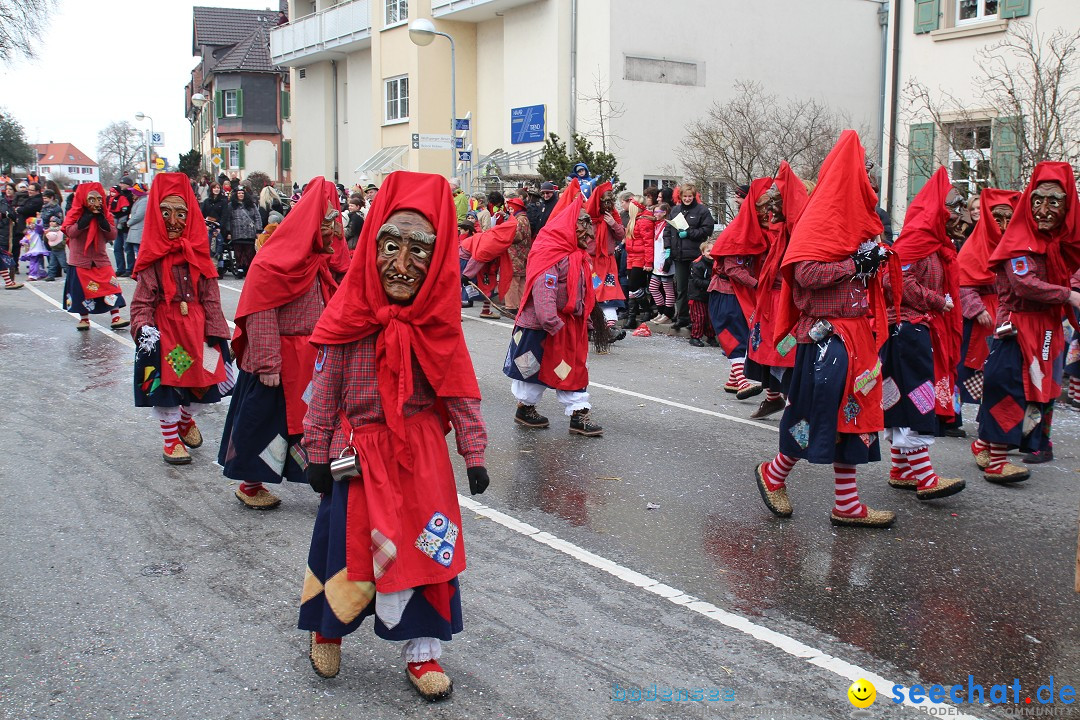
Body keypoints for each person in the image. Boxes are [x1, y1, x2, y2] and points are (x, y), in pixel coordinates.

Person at [298, 171, 489, 701]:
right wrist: (316, 453)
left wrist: (473, 453)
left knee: (430, 550)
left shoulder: (438, 322)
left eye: (420, 251)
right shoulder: (350, 314)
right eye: (390, 245)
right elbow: (324, 390)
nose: (402, 265)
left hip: (421, 458)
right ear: (371, 245)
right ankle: (328, 629)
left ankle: (423, 652)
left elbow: (460, 392)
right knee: (345, 550)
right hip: (359, 455)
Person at [753, 130, 896, 529]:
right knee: (813, 414)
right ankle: (773, 475)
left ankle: (847, 505)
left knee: (854, 418)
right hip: (824, 341)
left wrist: (877, 263)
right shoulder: (819, 221)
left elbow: (868, 279)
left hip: (856, 339)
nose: (869, 179)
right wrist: (857, 264)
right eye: (864, 171)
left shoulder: (861, 222)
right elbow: (806, 273)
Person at [220, 177, 345, 509]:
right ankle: (249, 483)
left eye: (335, 224)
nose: (334, 232)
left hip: (309, 360)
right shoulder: (273, 263)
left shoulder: (314, 261)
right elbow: (260, 313)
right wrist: (266, 364)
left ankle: (321, 482)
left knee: (314, 426)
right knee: (264, 425)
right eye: (328, 224)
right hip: (276, 363)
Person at [974, 162, 1080, 482]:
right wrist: (1068, 295)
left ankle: (986, 445)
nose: (1044, 210)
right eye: (1037, 200)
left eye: (1054, 201)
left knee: (1038, 392)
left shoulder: (1056, 245)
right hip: (1018, 329)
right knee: (1010, 389)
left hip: (1045, 331)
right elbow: (1024, 284)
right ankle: (997, 460)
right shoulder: (1019, 240)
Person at [129, 173, 234, 465]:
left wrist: (216, 330)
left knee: (203, 383)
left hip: (197, 329)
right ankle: (171, 438)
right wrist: (145, 330)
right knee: (169, 386)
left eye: (180, 214)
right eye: (166, 213)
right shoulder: (152, 258)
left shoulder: (199, 254)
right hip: (167, 330)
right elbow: (142, 301)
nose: (174, 221)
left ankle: (186, 420)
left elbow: (211, 296)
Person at [879, 166, 966, 501]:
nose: (959, 215)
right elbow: (894, 282)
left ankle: (901, 469)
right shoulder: (916, 240)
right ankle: (926, 478)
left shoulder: (934, 243)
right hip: (906, 329)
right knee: (917, 398)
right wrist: (937, 301)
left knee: (904, 396)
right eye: (954, 207)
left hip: (916, 328)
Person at [503, 198, 604, 436]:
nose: (589, 233)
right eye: (584, 224)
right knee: (531, 369)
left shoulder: (577, 256)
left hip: (569, 326)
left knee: (573, 369)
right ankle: (525, 408)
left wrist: (585, 319)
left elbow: (583, 292)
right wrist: (551, 321)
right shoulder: (551, 254)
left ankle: (579, 415)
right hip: (545, 325)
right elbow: (544, 289)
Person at [744, 162, 809, 419]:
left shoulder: (799, 233)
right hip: (771, 299)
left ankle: (795, 406)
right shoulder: (782, 230)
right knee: (764, 348)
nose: (770, 210)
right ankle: (773, 398)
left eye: (775, 204)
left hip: (788, 301)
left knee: (787, 352)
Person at [954, 189, 1020, 434]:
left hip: (1005, 315)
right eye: (997, 219)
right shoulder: (976, 243)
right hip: (979, 319)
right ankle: (952, 417)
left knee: (996, 371)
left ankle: (989, 420)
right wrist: (977, 309)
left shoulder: (1014, 243)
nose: (1002, 225)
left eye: (1008, 219)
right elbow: (963, 282)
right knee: (965, 371)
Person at [708, 179, 772, 396]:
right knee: (735, 335)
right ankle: (743, 380)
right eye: (764, 207)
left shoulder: (760, 230)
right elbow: (733, 269)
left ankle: (734, 379)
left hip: (742, 292)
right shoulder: (738, 232)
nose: (768, 212)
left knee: (747, 333)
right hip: (727, 293)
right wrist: (760, 284)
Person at [60, 183, 130, 331]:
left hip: (100, 259)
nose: (96, 203)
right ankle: (84, 319)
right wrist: (86, 219)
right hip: (80, 260)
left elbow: (112, 235)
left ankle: (115, 316)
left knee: (111, 287)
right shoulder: (75, 213)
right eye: (92, 199)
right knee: (81, 292)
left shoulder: (105, 214)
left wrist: (101, 220)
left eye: (99, 199)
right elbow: (71, 232)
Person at [665, 183, 715, 331]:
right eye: (685, 196)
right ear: (680, 197)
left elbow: (707, 229)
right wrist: (668, 248)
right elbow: (668, 230)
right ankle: (682, 317)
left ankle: (696, 319)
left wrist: (690, 233)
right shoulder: (675, 210)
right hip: (679, 255)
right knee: (680, 288)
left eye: (690, 196)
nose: (687, 199)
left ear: (694, 197)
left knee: (694, 289)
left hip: (694, 255)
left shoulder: (702, 211)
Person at [586, 183, 626, 338]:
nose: (609, 206)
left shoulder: (613, 215)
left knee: (609, 292)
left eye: (611, 202)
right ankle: (593, 327)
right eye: (605, 202)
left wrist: (613, 224)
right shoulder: (587, 216)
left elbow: (621, 235)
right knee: (593, 293)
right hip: (591, 262)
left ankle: (610, 326)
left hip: (608, 262)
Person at [624, 194, 658, 330]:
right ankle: (632, 316)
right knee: (632, 287)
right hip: (631, 256)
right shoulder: (634, 220)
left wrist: (648, 263)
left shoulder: (643, 220)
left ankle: (647, 309)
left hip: (640, 257)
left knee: (633, 286)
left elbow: (649, 243)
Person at [648, 203, 676, 323]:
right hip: (656, 261)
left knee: (667, 288)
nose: (655, 214)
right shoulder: (656, 225)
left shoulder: (669, 225)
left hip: (666, 260)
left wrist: (668, 258)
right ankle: (661, 311)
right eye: (654, 212)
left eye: (657, 212)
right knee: (653, 288)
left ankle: (668, 313)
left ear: (664, 212)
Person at [228, 184, 264, 276]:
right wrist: (228, 232)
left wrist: (258, 230)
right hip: (237, 232)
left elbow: (257, 217)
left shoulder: (251, 205)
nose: (240, 195)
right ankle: (240, 267)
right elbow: (228, 219)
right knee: (238, 252)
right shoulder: (231, 206)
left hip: (249, 232)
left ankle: (248, 268)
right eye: (239, 193)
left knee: (250, 252)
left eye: (242, 193)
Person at [687, 240, 718, 347]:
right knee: (699, 317)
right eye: (709, 251)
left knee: (711, 317)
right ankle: (695, 337)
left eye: (713, 250)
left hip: (710, 294)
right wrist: (712, 284)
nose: (711, 253)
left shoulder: (717, 263)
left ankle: (711, 336)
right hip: (698, 295)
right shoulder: (697, 264)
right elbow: (696, 280)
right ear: (703, 252)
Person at [40, 189, 66, 282]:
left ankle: (63, 271)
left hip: (55, 233)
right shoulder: (44, 207)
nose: (44, 200)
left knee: (60, 257)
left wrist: (53, 228)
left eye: (46, 198)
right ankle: (52, 273)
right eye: (43, 198)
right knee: (50, 255)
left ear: (51, 198)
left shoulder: (56, 208)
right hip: (46, 232)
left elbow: (59, 221)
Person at [110, 177, 135, 276]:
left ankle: (130, 269)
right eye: (120, 183)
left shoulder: (131, 196)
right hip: (118, 226)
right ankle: (120, 268)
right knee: (117, 248)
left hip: (126, 226)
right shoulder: (118, 194)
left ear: (128, 185)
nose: (120, 185)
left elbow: (130, 211)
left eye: (123, 183)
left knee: (128, 248)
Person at [124, 183, 149, 262]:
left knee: (138, 252)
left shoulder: (144, 201)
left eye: (134, 192)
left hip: (138, 230)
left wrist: (129, 223)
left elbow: (139, 215)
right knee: (134, 251)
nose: (132, 194)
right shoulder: (140, 200)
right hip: (135, 230)